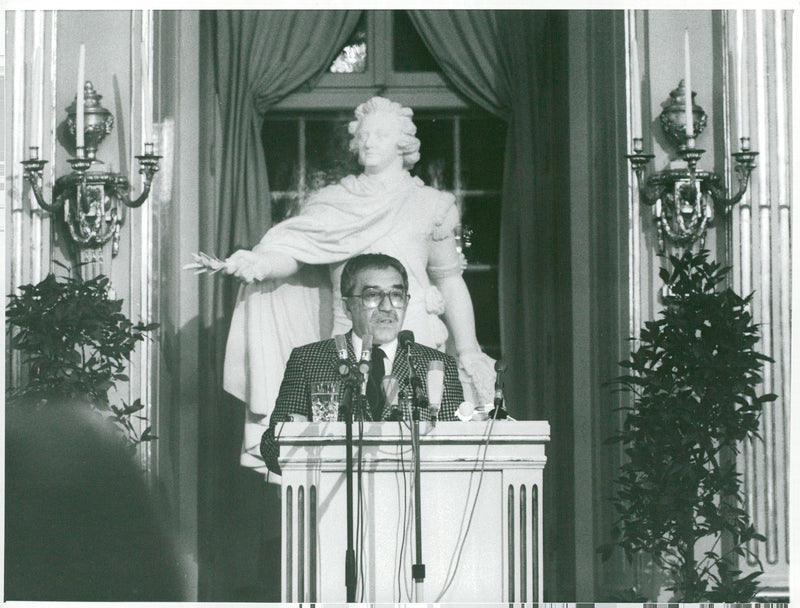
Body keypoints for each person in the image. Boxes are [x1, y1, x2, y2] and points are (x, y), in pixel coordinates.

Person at [221, 96, 494, 471]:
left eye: (380, 134)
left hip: (414, 339)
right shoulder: (331, 202)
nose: (368, 142)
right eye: (363, 135)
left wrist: (469, 350)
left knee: (425, 457)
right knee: (333, 457)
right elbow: (296, 252)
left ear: (403, 143)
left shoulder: (430, 204)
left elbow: (448, 279)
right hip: (343, 342)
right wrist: (259, 263)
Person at [260, 253, 464, 474]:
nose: (387, 307)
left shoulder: (436, 365)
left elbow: (459, 449)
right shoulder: (309, 360)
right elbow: (272, 449)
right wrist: (299, 430)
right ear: (347, 307)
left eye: (397, 295)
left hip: (415, 501)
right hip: (334, 498)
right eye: (372, 295)